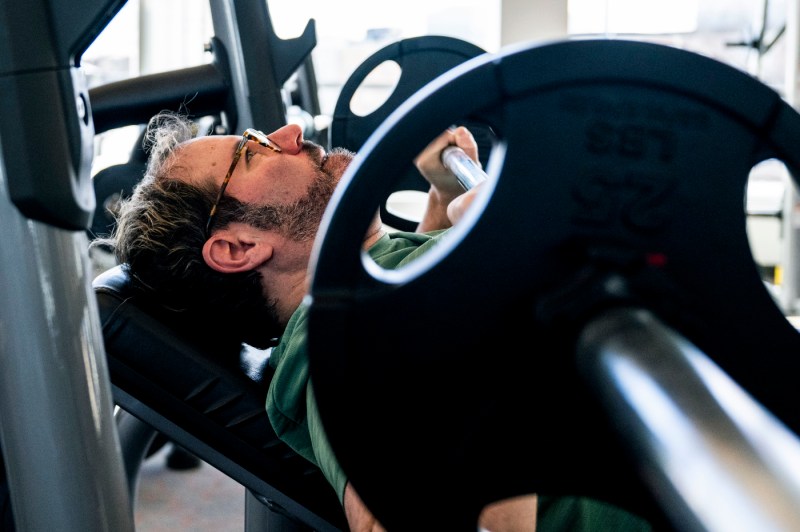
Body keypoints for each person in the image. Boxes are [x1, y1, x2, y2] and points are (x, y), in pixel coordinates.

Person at [99, 111, 652, 531]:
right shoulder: (338, 347)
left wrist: (444, 201)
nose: (290, 132)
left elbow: (433, 330)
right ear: (239, 247)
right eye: (253, 152)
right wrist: (492, 259)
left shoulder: (367, 288)